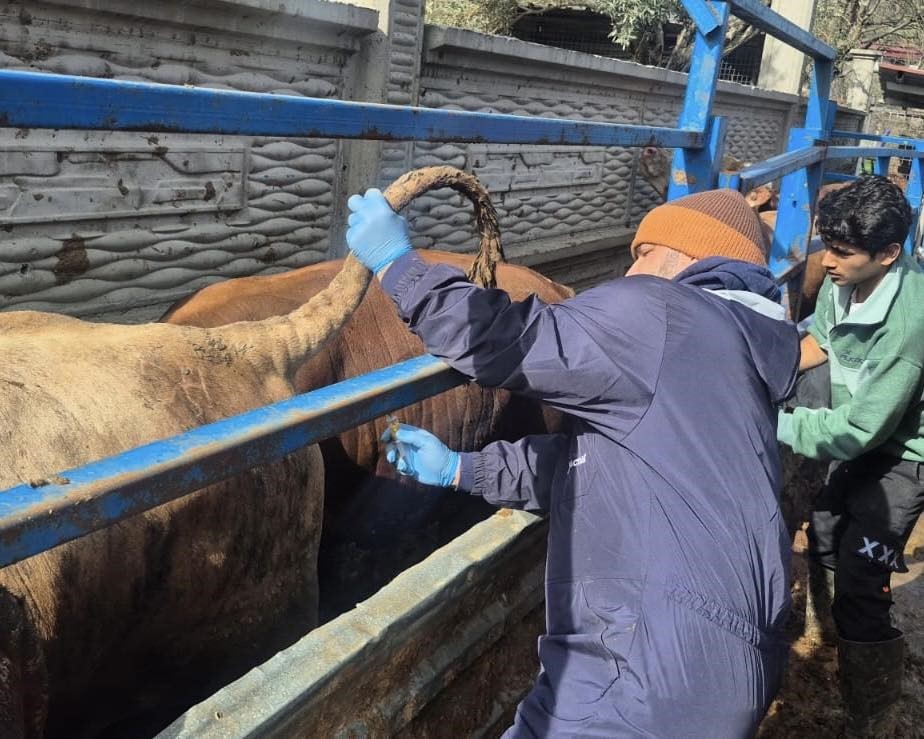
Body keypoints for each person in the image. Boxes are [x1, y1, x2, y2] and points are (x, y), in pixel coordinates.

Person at [346, 186, 800, 737]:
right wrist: (462, 469)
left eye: (642, 253)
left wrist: (398, 265)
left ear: (683, 253)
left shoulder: (662, 312)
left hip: (641, 670)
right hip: (725, 661)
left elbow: (506, 339)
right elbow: (606, 469)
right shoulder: (738, 349)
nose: (630, 273)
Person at [777, 175, 924, 735]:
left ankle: (872, 714)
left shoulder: (908, 325)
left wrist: (774, 421)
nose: (827, 262)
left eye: (842, 252)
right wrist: (762, 374)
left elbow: (861, 429)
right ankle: (826, 641)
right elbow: (822, 341)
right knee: (824, 529)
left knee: (864, 578)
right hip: (859, 430)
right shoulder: (846, 282)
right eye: (827, 246)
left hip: (903, 452)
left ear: (888, 254)